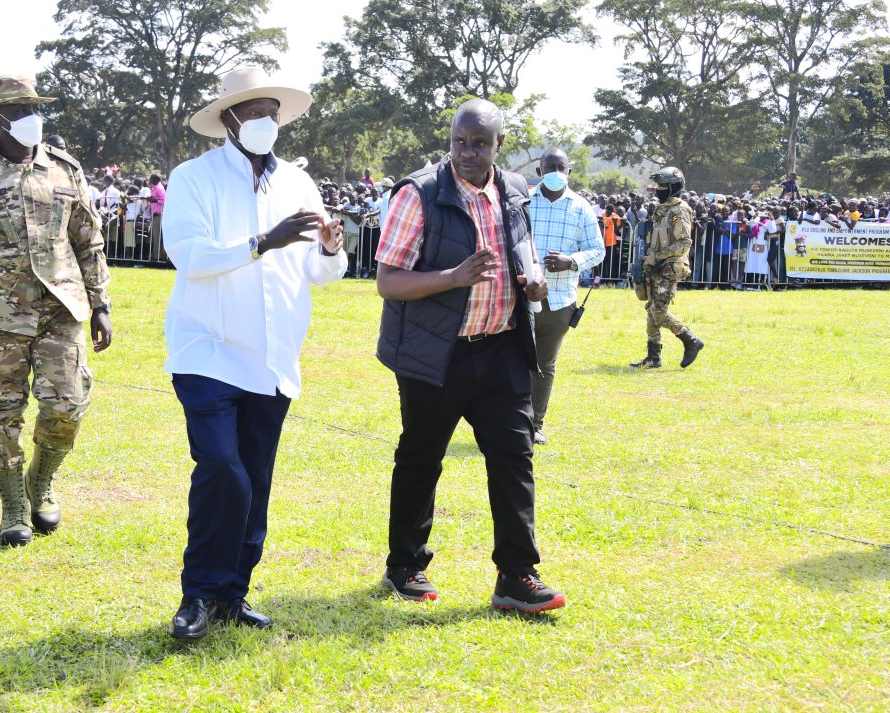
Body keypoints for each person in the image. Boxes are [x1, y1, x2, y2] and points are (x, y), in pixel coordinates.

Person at [162, 66, 346, 639]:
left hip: (272, 356)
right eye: (253, 112)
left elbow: (318, 271)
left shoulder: (297, 183)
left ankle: (232, 595)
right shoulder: (194, 178)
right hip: (208, 350)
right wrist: (264, 242)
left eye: (273, 112)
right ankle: (198, 595)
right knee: (223, 470)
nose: (265, 121)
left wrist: (332, 250)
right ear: (229, 120)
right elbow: (189, 255)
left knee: (256, 478)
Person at [375, 98, 563, 613]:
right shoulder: (421, 193)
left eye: (479, 143)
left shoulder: (516, 192)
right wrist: (452, 278)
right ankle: (405, 566)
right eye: (460, 141)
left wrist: (533, 284)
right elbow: (388, 280)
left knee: (514, 459)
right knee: (421, 458)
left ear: (500, 145)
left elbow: (518, 254)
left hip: (502, 347)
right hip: (436, 352)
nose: (467, 152)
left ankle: (516, 575)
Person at [0, 74, 111, 547]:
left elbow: (88, 240)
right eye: (20, 109)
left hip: (60, 308)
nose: (32, 117)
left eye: (35, 107)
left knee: (67, 404)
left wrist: (100, 303)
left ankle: (41, 482)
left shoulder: (65, 169)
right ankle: (13, 505)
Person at [528, 147, 604, 445]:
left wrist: (571, 261)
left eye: (562, 167)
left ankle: (534, 425)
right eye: (550, 167)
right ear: (539, 173)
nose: (557, 173)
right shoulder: (523, 202)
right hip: (520, 295)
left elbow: (598, 250)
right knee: (512, 361)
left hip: (559, 300)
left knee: (544, 365)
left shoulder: (581, 207)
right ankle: (509, 422)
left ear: (569, 172)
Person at [629, 167, 704, 369]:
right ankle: (654, 357)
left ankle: (691, 341)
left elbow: (684, 243)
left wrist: (656, 256)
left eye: (663, 186)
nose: (658, 190)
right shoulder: (662, 210)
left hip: (671, 266)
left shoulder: (679, 210)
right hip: (658, 265)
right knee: (651, 310)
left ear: (674, 187)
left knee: (659, 312)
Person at [147, 173, 166, 261]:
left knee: (157, 236)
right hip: (155, 215)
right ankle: (157, 255)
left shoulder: (159, 188)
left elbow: (164, 200)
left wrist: (155, 200)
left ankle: (158, 256)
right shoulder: (156, 188)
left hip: (159, 215)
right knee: (156, 236)